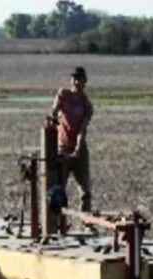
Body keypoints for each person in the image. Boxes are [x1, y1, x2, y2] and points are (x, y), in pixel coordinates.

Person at [49, 66, 94, 212]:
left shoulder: (86, 103)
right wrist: (53, 117)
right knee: (58, 189)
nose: (76, 81)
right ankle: (58, 223)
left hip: (78, 149)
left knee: (85, 190)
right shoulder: (64, 95)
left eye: (79, 78)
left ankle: (86, 222)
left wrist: (78, 149)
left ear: (84, 81)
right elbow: (54, 112)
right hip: (63, 147)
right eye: (74, 78)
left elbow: (83, 128)